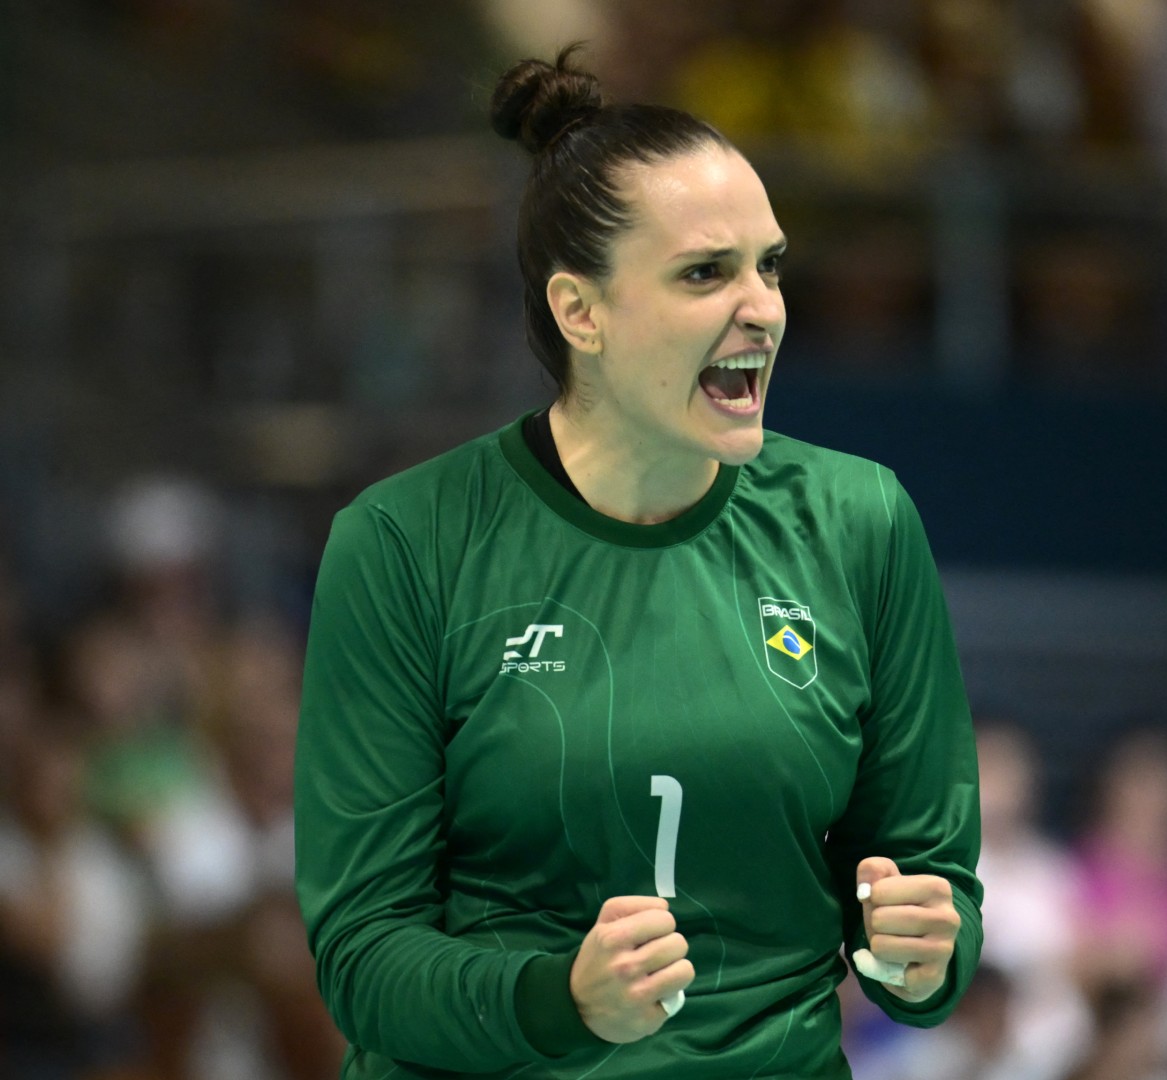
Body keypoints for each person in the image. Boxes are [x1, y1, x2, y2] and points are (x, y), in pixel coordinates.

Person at [294, 44, 984, 1079]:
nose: (763, 307)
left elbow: (930, 880)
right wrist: (559, 1000)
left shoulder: (861, 521)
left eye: (771, 265)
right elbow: (362, 955)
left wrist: (928, 954)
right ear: (582, 312)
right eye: (706, 272)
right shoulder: (403, 544)